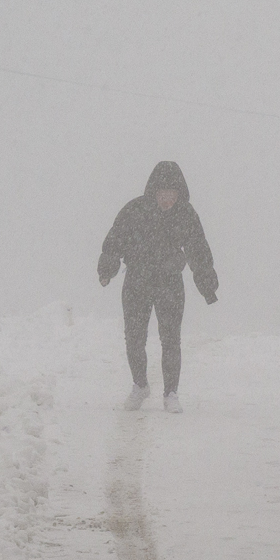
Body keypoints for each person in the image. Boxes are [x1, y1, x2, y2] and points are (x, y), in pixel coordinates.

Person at [95, 160, 219, 410]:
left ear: (179, 194)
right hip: (137, 281)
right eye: (162, 194)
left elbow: (198, 250)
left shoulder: (186, 214)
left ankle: (171, 394)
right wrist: (106, 271)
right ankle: (139, 386)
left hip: (170, 282)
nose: (166, 200)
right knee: (134, 338)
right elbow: (114, 240)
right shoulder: (135, 210)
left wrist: (207, 286)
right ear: (153, 192)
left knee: (171, 339)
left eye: (171, 195)